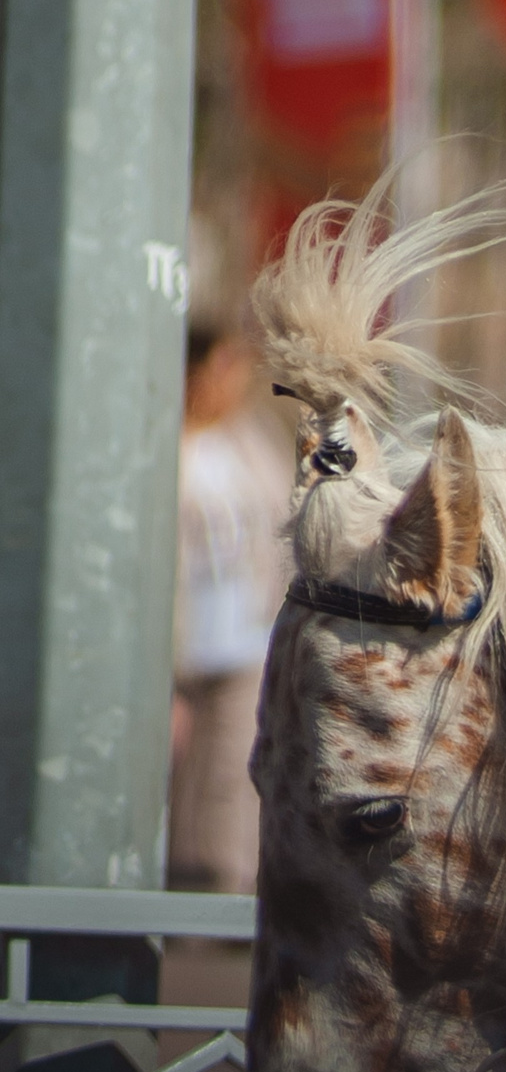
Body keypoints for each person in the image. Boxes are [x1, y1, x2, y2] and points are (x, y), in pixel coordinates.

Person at [169, 326, 294, 894]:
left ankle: (225, 882)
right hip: (180, 638)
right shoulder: (168, 444)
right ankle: (168, 879)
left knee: (232, 768)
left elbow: (281, 521)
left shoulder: (247, 442)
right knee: (174, 768)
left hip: (243, 636)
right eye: (224, 370)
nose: (234, 385)